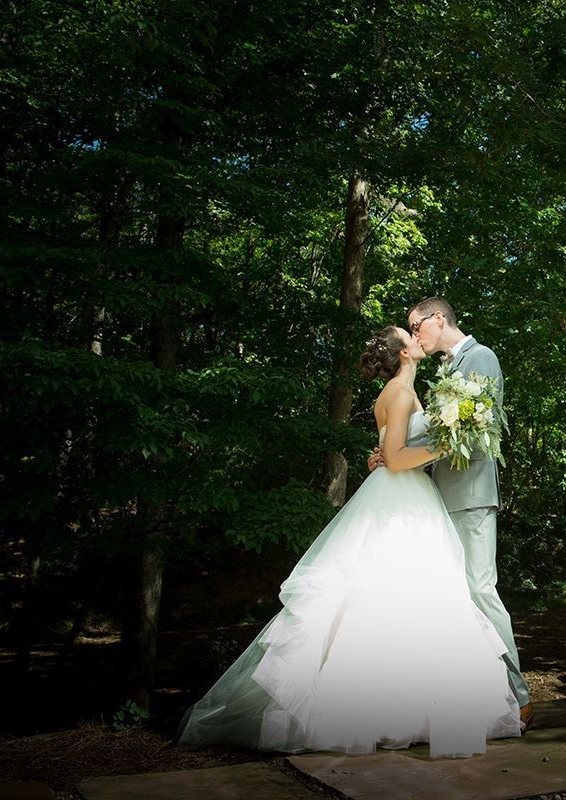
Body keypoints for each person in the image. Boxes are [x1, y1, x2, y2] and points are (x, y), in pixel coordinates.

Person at [176, 326, 521, 758]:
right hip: (401, 499)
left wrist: (397, 451)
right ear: (402, 353)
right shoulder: (397, 392)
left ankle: (408, 707)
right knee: (386, 597)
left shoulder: (408, 390)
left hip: (412, 497)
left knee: (416, 601)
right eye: (408, 335)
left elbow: (394, 448)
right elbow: (397, 458)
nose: (416, 337)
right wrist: (443, 448)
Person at [372, 297, 532, 732]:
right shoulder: (445, 371)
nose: (415, 334)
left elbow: (479, 430)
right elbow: (435, 432)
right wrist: (390, 453)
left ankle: (517, 699)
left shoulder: (481, 358)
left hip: (470, 496)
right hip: (437, 499)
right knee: (449, 600)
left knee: (480, 591)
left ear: (437, 319)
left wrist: (400, 453)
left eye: (415, 325)